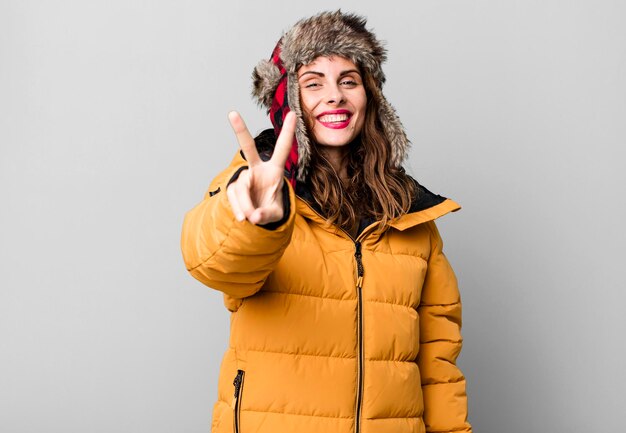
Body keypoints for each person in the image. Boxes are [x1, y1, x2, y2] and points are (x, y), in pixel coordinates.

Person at [181, 10, 472, 433]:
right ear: (289, 101)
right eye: (313, 83)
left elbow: (437, 361)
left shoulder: (411, 214)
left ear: (370, 97)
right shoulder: (256, 186)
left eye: (348, 81)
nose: (334, 96)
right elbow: (210, 259)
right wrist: (257, 220)